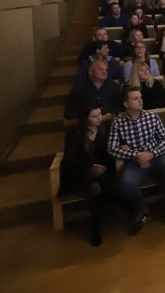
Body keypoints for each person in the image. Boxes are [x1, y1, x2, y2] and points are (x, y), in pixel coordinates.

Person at [109, 87, 165, 234]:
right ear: (126, 103)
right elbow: (111, 148)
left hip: (156, 156)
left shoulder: (152, 117)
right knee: (126, 183)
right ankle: (141, 209)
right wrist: (136, 155)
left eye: (140, 97)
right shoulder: (117, 122)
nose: (140, 100)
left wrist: (151, 153)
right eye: (135, 98)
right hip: (134, 161)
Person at [60, 105, 116, 246]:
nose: (99, 118)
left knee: (100, 184)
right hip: (80, 173)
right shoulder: (75, 135)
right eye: (94, 116)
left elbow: (108, 154)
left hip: (102, 171)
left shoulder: (104, 130)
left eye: (100, 114)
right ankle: (95, 227)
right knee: (96, 186)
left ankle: (100, 218)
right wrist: (90, 168)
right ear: (85, 119)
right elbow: (70, 160)